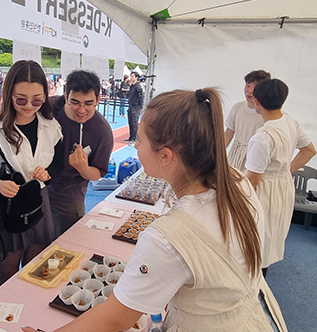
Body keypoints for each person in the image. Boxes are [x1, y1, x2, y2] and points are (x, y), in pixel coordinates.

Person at [23, 88, 288, 332]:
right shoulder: (236, 179)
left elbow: (114, 318)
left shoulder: (168, 236)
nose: (136, 146)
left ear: (166, 155)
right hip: (255, 316)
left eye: (140, 139)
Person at [0, 60, 64, 286]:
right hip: (8, 207)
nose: (29, 105)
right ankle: (4, 316)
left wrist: (48, 173)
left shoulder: (51, 124)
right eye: (21, 99)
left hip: (39, 203)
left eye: (37, 100)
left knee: (36, 270)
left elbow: (59, 163)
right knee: (8, 274)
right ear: (9, 94)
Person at [245, 78, 316, 276]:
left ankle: (253, 288)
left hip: (265, 190)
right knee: (271, 234)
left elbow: (252, 180)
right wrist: (285, 170)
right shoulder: (290, 122)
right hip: (283, 186)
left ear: (257, 101)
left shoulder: (263, 137)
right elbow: (309, 151)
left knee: (256, 237)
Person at [48, 70, 114, 237]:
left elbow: (98, 173)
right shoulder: (48, 109)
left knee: (66, 243)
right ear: (66, 96)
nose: (82, 109)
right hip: (37, 187)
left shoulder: (102, 132)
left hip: (68, 194)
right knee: (34, 245)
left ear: (98, 99)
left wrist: (83, 168)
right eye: (75, 102)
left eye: (89, 103)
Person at [224, 70, 271, 171]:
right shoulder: (237, 107)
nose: (249, 91)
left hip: (254, 157)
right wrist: (216, 153)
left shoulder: (266, 112)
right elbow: (228, 133)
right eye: (248, 86)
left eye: (254, 87)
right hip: (235, 155)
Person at [125, 71, 143, 142]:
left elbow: (141, 97)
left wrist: (141, 106)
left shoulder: (138, 87)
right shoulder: (131, 86)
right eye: (130, 76)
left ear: (136, 77)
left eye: (132, 76)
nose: (131, 78)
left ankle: (135, 138)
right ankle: (131, 137)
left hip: (136, 107)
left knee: (134, 123)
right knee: (130, 122)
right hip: (131, 105)